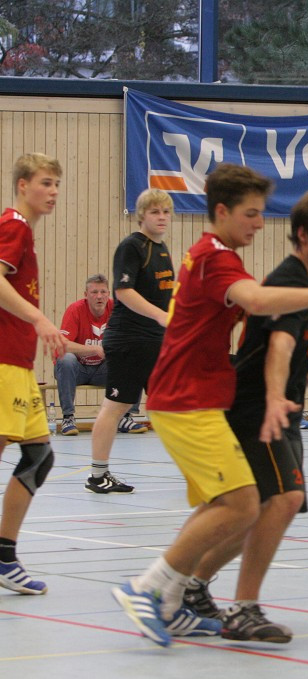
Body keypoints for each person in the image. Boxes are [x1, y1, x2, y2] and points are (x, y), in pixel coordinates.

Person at [110, 164, 308, 647]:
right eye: (252, 214)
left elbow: (276, 341)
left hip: (200, 396)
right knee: (245, 503)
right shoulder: (220, 260)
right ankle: (149, 588)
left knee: (238, 504)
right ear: (222, 211)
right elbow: (261, 312)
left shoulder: (217, 256)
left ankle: (176, 597)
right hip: (187, 397)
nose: (260, 223)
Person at [181, 189, 308, 642]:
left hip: (276, 405)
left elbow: (294, 349)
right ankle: (238, 605)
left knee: (262, 510)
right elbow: (279, 348)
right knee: (277, 502)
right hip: (255, 407)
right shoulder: (293, 281)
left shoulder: (304, 284)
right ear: (303, 235)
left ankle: (190, 586)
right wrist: (271, 398)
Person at [0, 153, 65, 596]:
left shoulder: (25, 232)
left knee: (39, 456)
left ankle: (5, 557)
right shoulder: (14, 225)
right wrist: (40, 319)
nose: (54, 191)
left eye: (57, 184)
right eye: (45, 183)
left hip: (19, 366)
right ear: (23, 185)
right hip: (3, 362)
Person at [85, 189, 175, 494]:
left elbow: (165, 295)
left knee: (169, 405)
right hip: (129, 340)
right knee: (116, 405)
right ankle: (98, 476)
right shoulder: (132, 247)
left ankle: (203, 468)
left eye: (165, 211)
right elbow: (124, 292)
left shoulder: (162, 250)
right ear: (142, 216)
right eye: (155, 212)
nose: (161, 217)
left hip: (154, 341)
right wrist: (161, 317)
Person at [53, 274, 138, 436]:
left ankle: (125, 417)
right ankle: (68, 418)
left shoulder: (117, 310)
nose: (99, 296)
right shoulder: (75, 310)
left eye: (103, 292)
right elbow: (62, 346)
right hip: (77, 370)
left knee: (134, 358)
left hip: (103, 370)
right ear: (86, 295)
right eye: (94, 292)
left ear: (108, 293)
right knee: (66, 359)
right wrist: (95, 350)